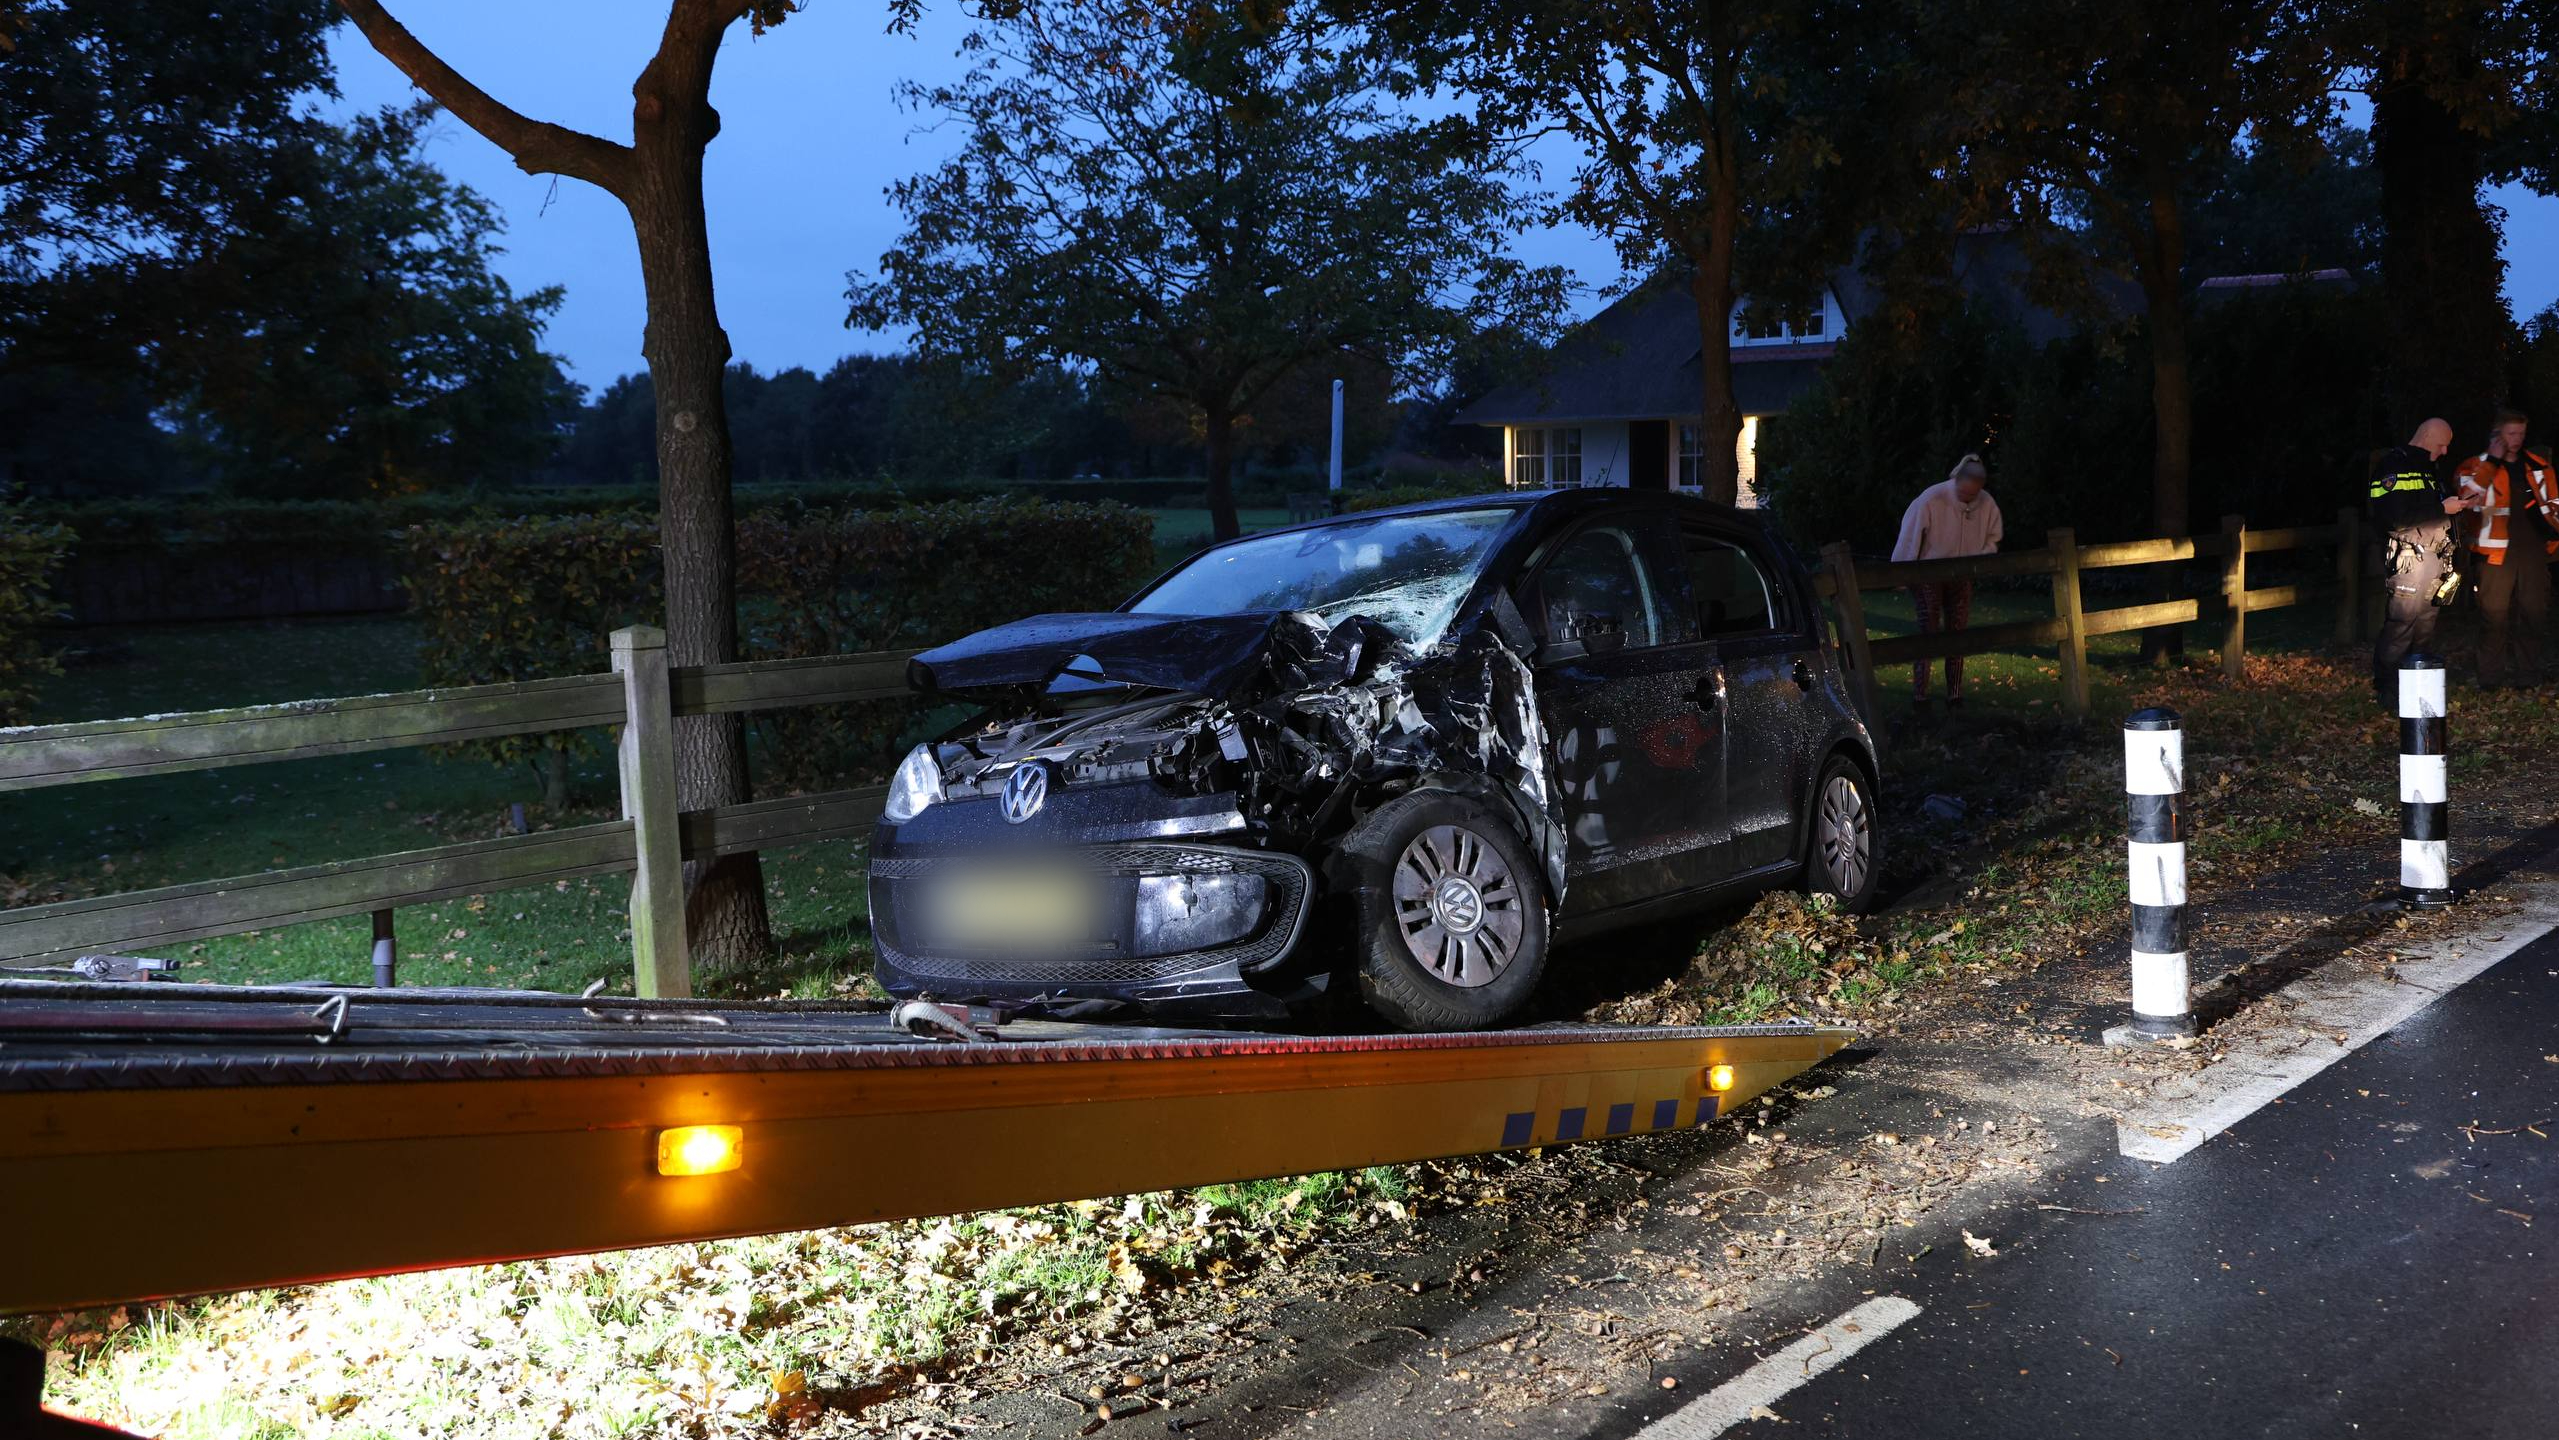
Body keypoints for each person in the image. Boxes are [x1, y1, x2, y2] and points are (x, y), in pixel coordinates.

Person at [2369, 418, 2478, 707]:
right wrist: (2442, 508)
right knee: (2400, 627)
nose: (2444, 451)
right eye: (2441, 444)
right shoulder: (2394, 465)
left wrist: (2455, 506)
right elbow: (2394, 518)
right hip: (2409, 562)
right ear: (2427, 436)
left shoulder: (2430, 470)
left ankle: (2416, 684)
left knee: (2425, 627)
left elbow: (2431, 511)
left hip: (2434, 561)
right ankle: (2388, 691)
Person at [2454, 409, 2558, 688]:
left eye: (2521, 433)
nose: (2517, 439)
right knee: (2493, 618)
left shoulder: (2539, 466)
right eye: (2511, 433)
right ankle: (2490, 679)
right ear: (2497, 434)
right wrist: (2492, 462)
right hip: (2494, 554)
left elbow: (2555, 506)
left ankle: (2528, 676)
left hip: (2534, 553)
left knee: (2534, 615)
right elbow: (2467, 501)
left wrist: (2554, 538)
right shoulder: (2474, 465)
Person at [1891, 453, 2003, 712]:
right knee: (1928, 630)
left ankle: (1955, 694)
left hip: (1961, 574)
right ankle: (1920, 694)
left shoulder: (1986, 504)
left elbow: (1993, 536)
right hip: (1929, 573)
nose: (1968, 498)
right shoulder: (1932, 499)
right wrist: (1902, 573)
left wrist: (1980, 562)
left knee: (1958, 631)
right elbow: (1911, 535)